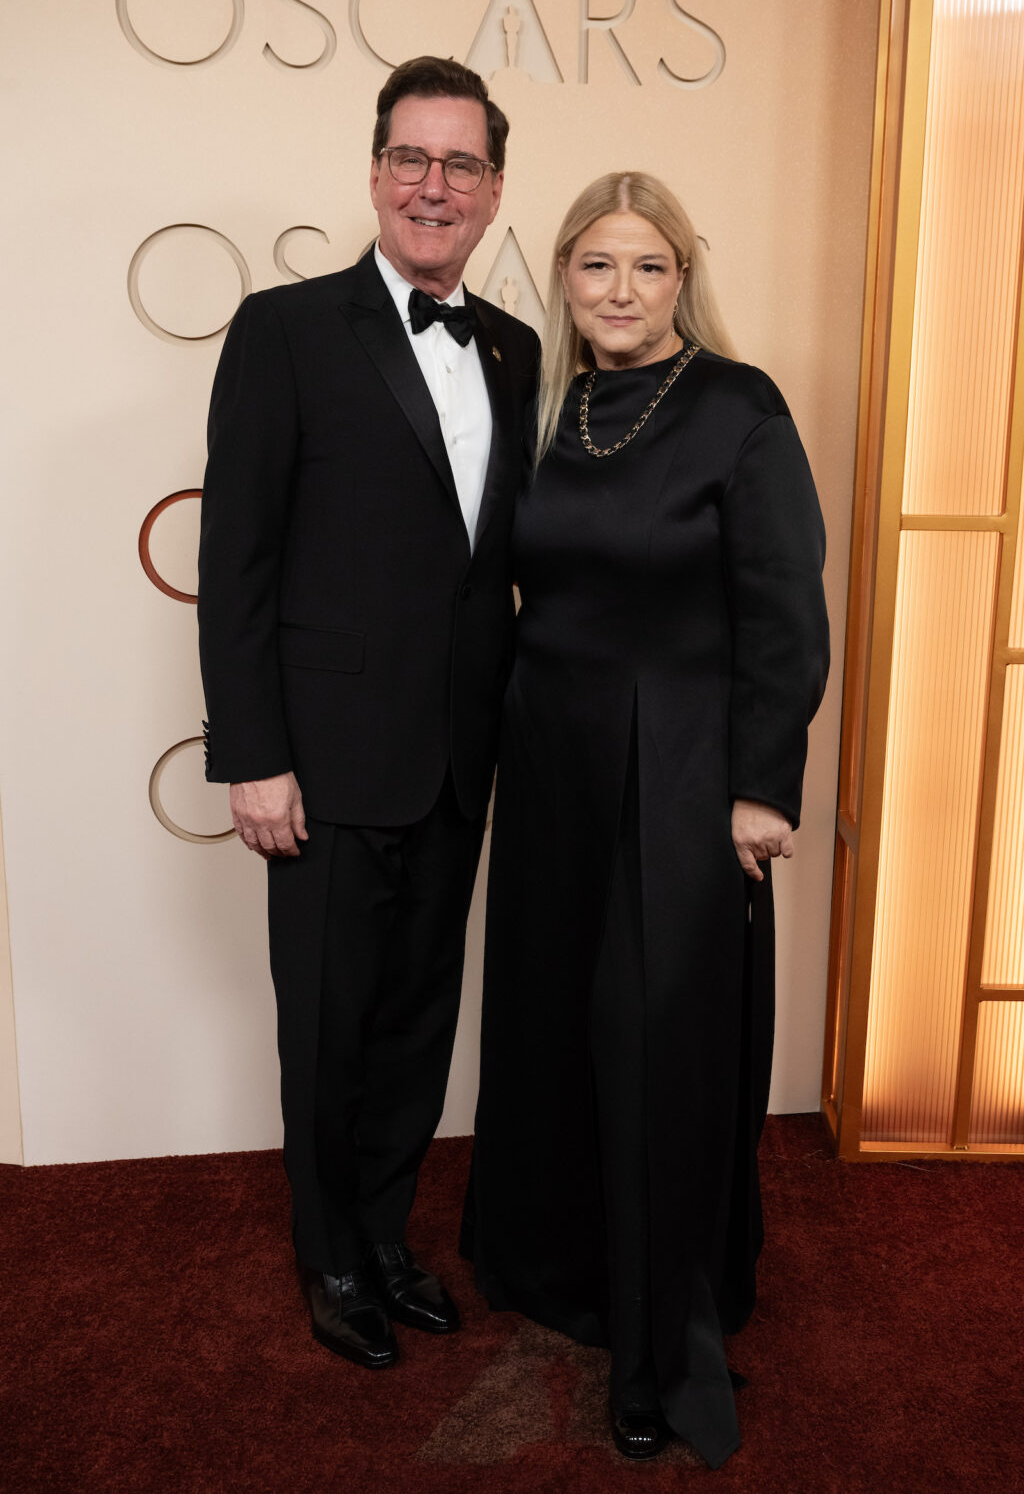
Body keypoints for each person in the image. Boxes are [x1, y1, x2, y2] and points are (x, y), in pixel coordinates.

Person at [461, 172, 829, 1467]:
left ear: (685, 276)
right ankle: (561, 1272)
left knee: (656, 1048)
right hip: (552, 763)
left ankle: (658, 1341)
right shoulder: (546, 408)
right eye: (597, 267)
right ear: (563, 276)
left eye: (648, 268)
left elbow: (786, 607)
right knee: (557, 1028)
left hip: (682, 773)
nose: (621, 292)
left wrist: (761, 784)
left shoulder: (738, 406)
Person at [197, 57, 539, 1370]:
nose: (433, 184)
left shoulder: (510, 347)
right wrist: (255, 756)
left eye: (460, 163)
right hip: (325, 762)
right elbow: (240, 560)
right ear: (377, 170)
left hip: (459, 756)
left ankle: (388, 1236)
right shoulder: (284, 330)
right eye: (412, 157)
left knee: (416, 1022)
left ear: (495, 188)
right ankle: (328, 1250)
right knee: (327, 1023)